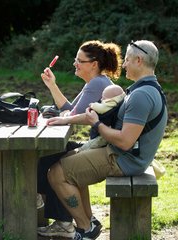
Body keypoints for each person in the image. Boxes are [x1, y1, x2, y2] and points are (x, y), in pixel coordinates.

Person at [47, 40, 167, 239]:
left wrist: (97, 124)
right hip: (124, 155)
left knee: (55, 173)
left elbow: (125, 142)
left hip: (123, 160)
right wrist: (70, 119)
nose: (124, 65)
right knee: (68, 158)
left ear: (139, 60)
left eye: (127, 60)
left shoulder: (142, 96)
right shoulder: (146, 89)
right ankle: (89, 222)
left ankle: (84, 229)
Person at [37, 40, 122, 238]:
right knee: (59, 155)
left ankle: (50, 206)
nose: (75, 63)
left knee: (53, 159)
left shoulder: (97, 83)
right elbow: (69, 110)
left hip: (103, 148)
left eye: (79, 60)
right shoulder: (94, 83)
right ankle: (81, 221)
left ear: (93, 64)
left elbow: (73, 116)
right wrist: (52, 85)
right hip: (100, 145)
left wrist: (61, 118)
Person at [78, 84, 125, 151]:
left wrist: (93, 105)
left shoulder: (111, 103)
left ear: (111, 99)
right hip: (108, 132)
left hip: (103, 135)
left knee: (91, 145)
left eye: (103, 98)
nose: (101, 99)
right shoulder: (120, 101)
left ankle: (82, 150)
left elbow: (101, 108)